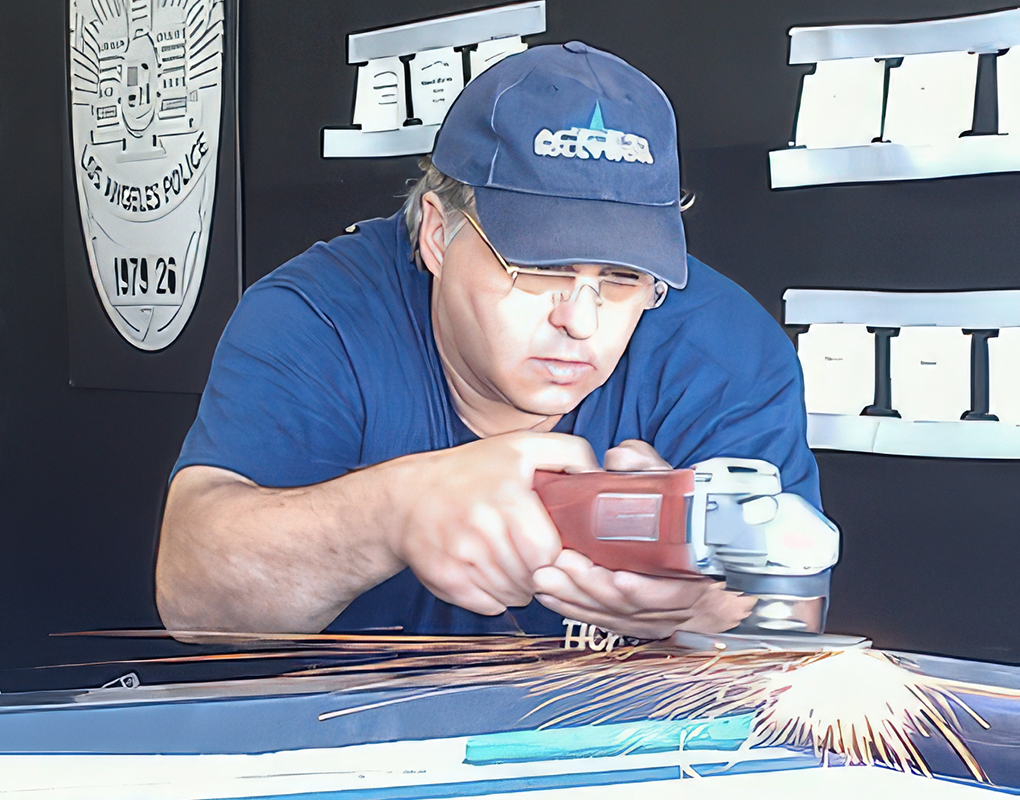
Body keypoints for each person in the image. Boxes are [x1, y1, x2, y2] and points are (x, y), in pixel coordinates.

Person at [155, 42, 820, 640]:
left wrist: (701, 609)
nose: (580, 321)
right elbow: (191, 596)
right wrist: (396, 509)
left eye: (622, 279)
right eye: (539, 270)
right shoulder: (320, 318)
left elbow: (789, 625)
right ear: (438, 235)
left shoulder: (725, 351)